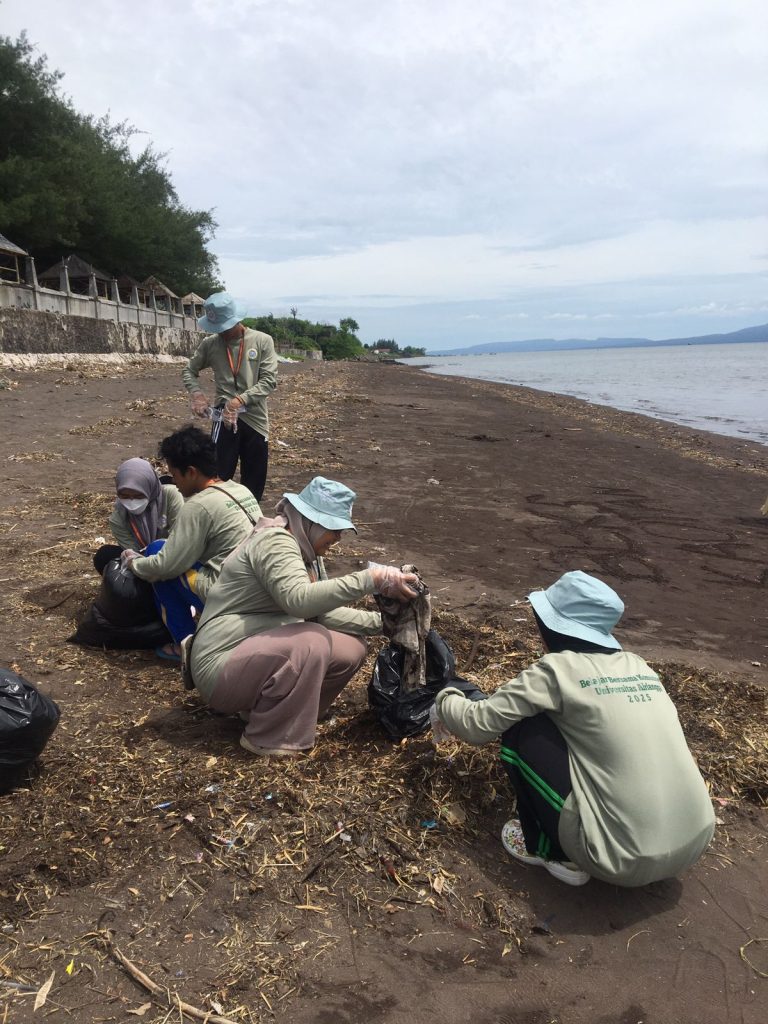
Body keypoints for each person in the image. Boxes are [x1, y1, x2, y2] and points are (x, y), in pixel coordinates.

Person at [431, 570, 715, 887]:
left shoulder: (557, 669)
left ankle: (554, 853)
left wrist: (445, 699)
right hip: (696, 839)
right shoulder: (638, 666)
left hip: (617, 858)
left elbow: (477, 726)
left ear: (550, 625)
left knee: (524, 728)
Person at [186, 476, 418, 757]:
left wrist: (386, 625)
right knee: (312, 641)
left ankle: (286, 716)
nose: (338, 538)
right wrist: (371, 579)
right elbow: (299, 602)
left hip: (252, 654)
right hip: (220, 664)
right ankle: (269, 738)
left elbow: (321, 612)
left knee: (351, 648)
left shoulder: (306, 551)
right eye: (334, 529)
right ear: (311, 521)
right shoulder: (275, 542)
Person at [122, 426, 262, 660]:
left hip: (230, 596)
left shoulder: (198, 506)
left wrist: (135, 563)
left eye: (175, 475)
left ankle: (187, 645)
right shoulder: (240, 490)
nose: (174, 482)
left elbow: (166, 565)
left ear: (191, 472)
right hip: (255, 587)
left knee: (158, 556)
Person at [182, 292, 278, 501]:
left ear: (237, 319)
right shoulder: (211, 344)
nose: (222, 333)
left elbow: (269, 381)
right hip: (223, 420)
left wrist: (239, 401)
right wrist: (197, 394)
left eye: (226, 327)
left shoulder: (262, 341)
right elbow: (189, 371)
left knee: (254, 481)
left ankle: (250, 524)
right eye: (218, 329)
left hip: (256, 420)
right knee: (216, 477)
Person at [93, 458, 184, 574]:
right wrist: (135, 559)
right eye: (125, 496)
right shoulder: (119, 517)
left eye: (139, 495)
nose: (132, 501)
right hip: (144, 560)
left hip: (174, 556)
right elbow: (135, 552)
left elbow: (180, 539)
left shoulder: (171, 496)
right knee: (104, 556)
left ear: (150, 489)